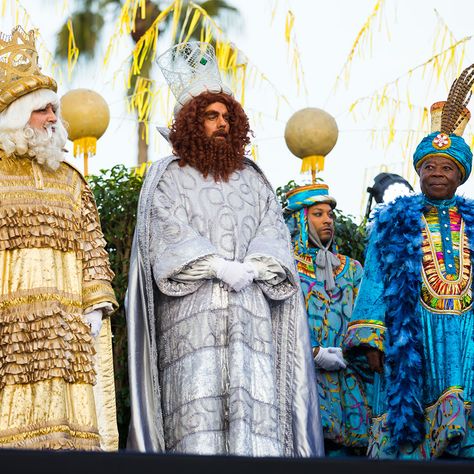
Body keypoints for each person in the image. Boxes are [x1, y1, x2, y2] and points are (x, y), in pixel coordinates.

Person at [126, 41, 323, 456]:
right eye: (211, 116)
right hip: (191, 319)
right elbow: (165, 234)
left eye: (227, 117)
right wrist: (215, 265)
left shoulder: (253, 177)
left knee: (256, 424)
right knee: (195, 425)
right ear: (190, 122)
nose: (222, 124)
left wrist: (254, 265)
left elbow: (273, 231)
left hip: (251, 314)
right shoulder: (167, 176)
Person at [344, 63, 474, 459]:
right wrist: (372, 338)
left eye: (447, 167)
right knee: (409, 432)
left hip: (467, 333)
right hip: (412, 331)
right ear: (418, 173)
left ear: (460, 176)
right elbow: (377, 280)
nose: (437, 174)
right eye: (429, 167)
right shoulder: (393, 222)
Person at [0, 26, 118, 450]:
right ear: (16, 116)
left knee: (68, 435)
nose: (54, 118)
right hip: (8, 331)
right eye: (43, 110)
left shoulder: (72, 180)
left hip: (66, 332)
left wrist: (96, 301)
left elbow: (92, 245)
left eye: (54, 110)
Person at [285, 184, 369, 455]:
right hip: (303, 379)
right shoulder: (284, 268)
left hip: (348, 379)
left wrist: (353, 353)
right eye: (318, 214)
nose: (328, 221)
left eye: (330, 214)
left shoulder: (352, 269)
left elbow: (365, 322)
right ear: (300, 220)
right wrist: (314, 353)